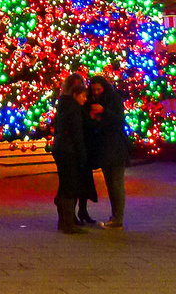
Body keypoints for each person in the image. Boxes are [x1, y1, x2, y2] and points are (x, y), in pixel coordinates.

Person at [87, 75, 129, 229]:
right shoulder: (93, 101)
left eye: (99, 89)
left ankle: (118, 218)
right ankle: (115, 216)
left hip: (116, 147)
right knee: (110, 184)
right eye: (94, 90)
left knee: (116, 184)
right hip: (104, 148)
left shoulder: (113, 99)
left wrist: (103, 111)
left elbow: (119, 120)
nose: (96, 92)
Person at [51, 74, 90, 234]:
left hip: (61, 148)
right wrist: (82, 155)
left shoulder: (64, 105)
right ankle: (68, 223)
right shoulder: (73, 110)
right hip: (68, 150)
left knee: (65, 184)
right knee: (70, 185)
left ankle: (64, 221)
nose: (85, 100)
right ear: (75, 95)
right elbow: (77, 135)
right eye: (83, 96)